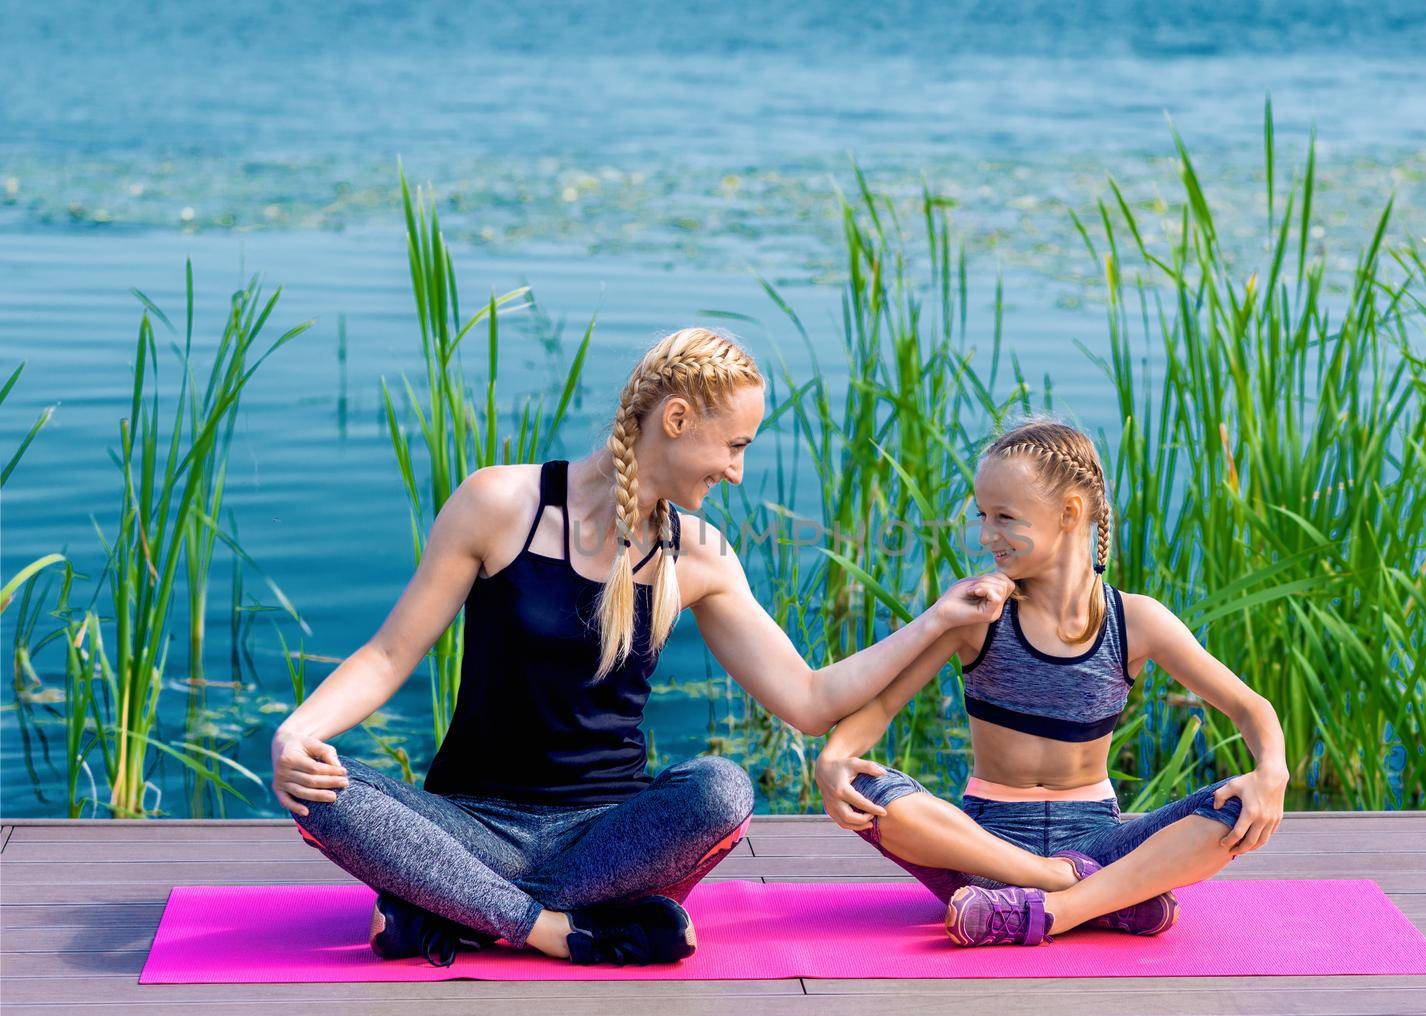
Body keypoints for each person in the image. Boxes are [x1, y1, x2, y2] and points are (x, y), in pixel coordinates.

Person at [273, 327, 1014, 966]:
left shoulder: (700, 556)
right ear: (679, 417)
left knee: (723, 789)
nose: (737, 470)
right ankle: (556, 930)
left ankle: (453, 907)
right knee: (323, 788)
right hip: (469, 822)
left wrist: (936, 621)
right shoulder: (500, 504)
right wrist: (300, 731)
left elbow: (810, 700)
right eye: (734, 445)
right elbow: (388, 654)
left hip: (605, 838)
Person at [814, 415, 1290, 947]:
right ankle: (1094, 895)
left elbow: (1250, 707)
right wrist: (835, 758)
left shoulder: (1136, 621)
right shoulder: (979, 615)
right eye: (982, 516)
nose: (986, 536)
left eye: (1004, 517)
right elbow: (881, 708)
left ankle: (1053, 910)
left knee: (1230, 809)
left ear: (1069, 512)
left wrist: (1271, 772)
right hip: (981, 845)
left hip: (1098, 838)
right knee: (869, 789)